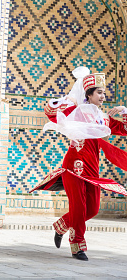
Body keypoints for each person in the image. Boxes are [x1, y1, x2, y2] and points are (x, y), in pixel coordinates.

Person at [30, 67, 127, 261]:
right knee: (79, 208)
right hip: (74, 166)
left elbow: (124, 129)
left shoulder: (104, 118)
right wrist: (68, 100)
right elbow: (50, 111)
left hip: (93, 168)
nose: (102, 96)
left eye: (104, 92)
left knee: (92, 209)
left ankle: (62, 225)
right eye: (99, 92)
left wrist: (125, 111)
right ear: (88, 94)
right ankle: (78, 247)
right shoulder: (76, 111)